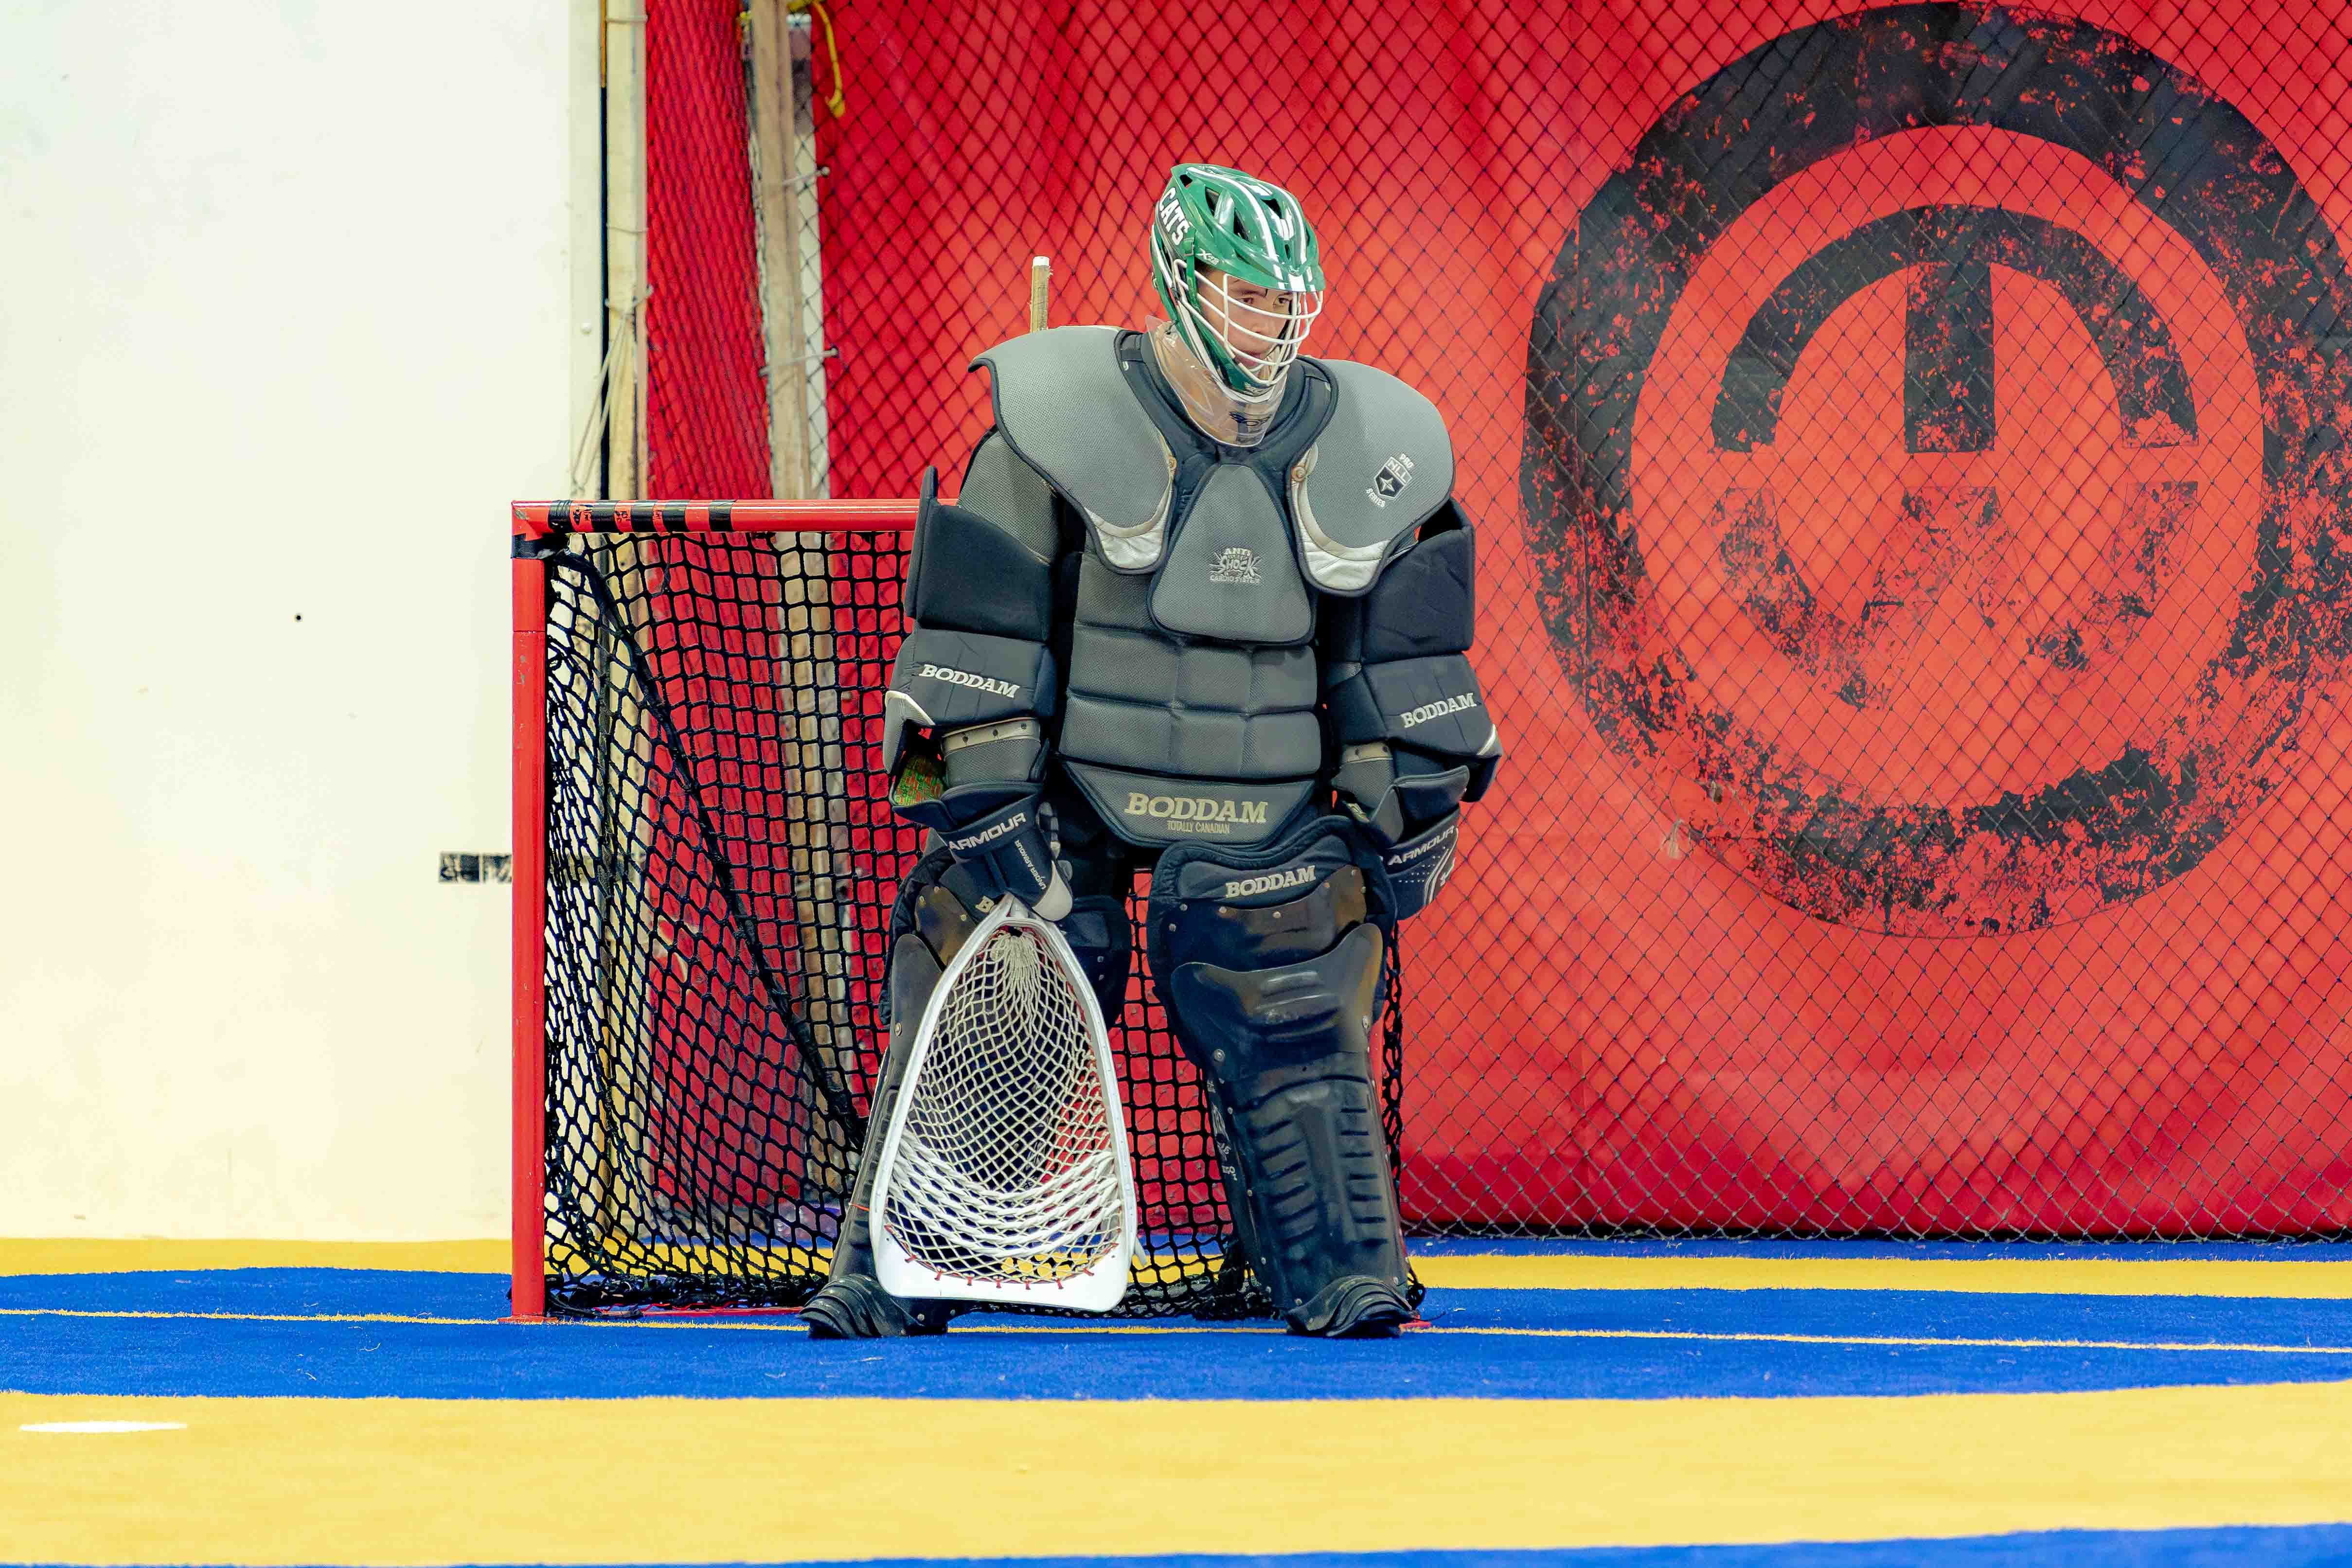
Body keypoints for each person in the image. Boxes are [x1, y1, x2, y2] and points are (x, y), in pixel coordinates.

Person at [804, 163, 1500, 1340]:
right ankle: (894, 1265)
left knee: (1300, 971)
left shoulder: (1377, 437)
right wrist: (975, 810)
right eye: (1237, 290)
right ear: (1181, 284)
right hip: (1069, 801)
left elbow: (1404, 668)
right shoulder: (1053, 411)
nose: (1262, 321)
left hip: (1268, 811)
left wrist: (1405, 815)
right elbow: (962, 651)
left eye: (1279, 299)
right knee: (993, 967)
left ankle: (1341, 1273)